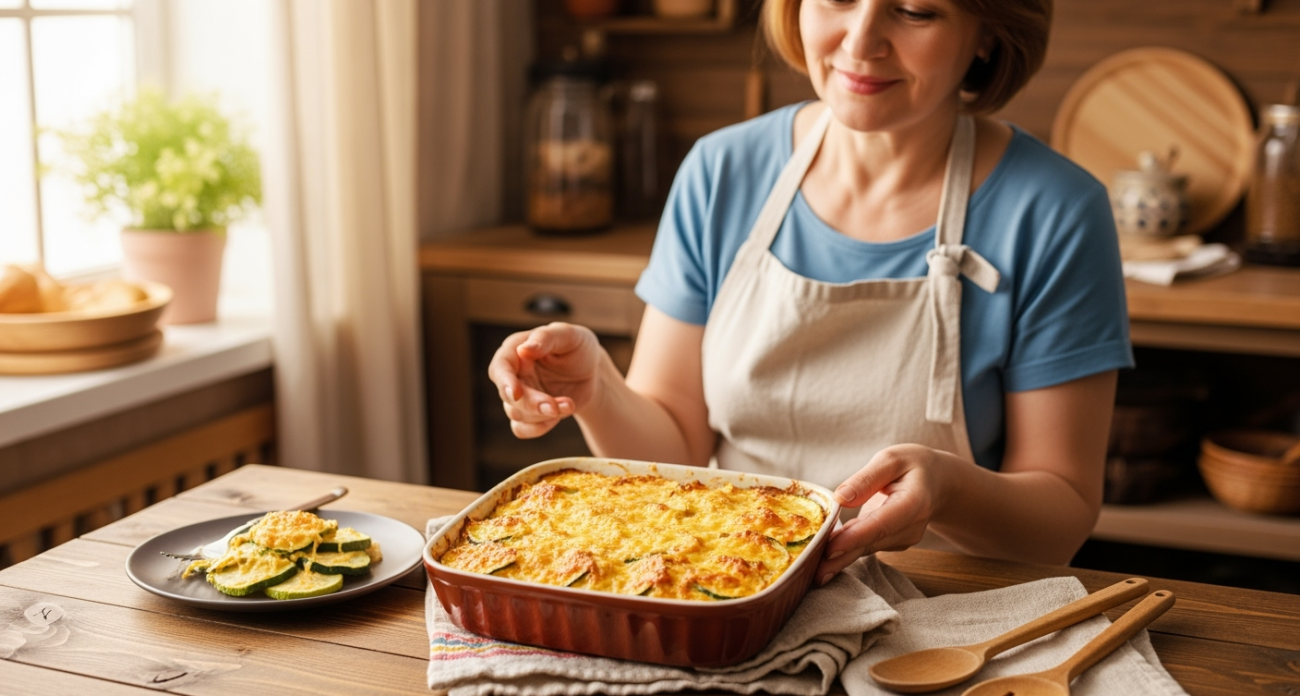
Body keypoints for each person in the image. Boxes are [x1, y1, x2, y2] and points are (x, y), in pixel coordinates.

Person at [488, 0, 1132, 586]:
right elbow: (676, 450)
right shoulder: (720, 171)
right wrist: (597, 388)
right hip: (733, 582)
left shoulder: (1056, 211)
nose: (861, 41)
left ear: (988, 34)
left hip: (946, 611)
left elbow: (1059, 523)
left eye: (914, 11)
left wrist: (949, 492)